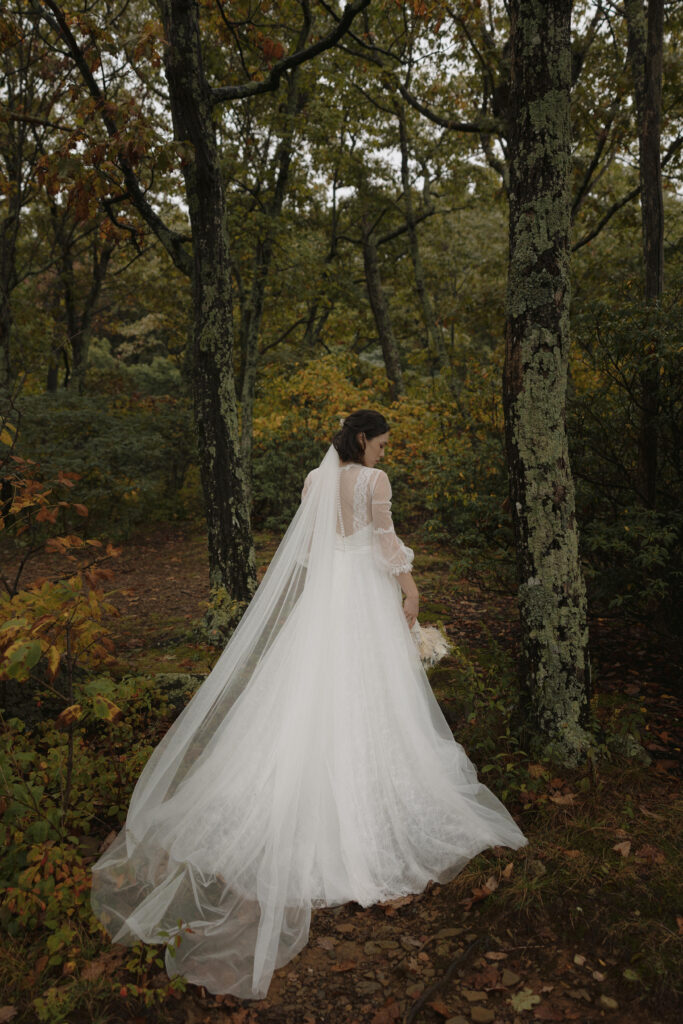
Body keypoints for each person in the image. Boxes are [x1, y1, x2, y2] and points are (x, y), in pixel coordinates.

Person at [91, 409, 527, 1000]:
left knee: (308, 693)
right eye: (382, 444)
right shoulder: (373, 484)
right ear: (363, 439)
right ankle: (366, 798)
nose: (384, 454)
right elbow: (384, 540)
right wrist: (412, 589)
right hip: (363, 597)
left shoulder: (315, 479)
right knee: (370, 695)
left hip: (325, 598)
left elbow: (310, 550)